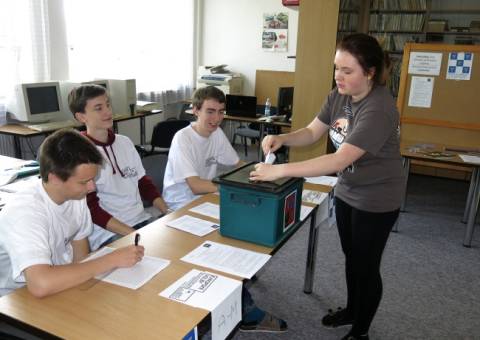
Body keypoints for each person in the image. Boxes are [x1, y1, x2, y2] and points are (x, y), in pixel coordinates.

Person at [250, 33, 405, 340]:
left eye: (347, 71)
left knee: (366, 265)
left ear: (370, 72)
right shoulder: (339, 95)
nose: (339, 76)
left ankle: (361, 331)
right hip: (349, 190)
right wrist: (283, 139)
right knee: (352, 257)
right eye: (337, 68)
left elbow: (337, 160)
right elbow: (311, 132)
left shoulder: (379, 108)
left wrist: (277, 170)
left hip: (378, 198)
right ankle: (351, 310)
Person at [163, 86, 287, 333]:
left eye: (220, 112)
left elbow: (238, 164)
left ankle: (237, 280)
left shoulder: (216, 134)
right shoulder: (183, 139)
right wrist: (233, 189)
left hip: (206, 200)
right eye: (210, 111)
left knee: (247, 226)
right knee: (225, 246)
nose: (216, 118)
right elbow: (196, 186)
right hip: (181, 207)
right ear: (194, 110)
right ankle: (247, 313)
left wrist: (262, 173)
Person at [0, 129, 144, 298]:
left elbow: (80, 259)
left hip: (59, 283)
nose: (92, 187)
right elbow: (40, 285)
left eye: (93, 179)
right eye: (84, 182)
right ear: (54, 178)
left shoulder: (75, 196)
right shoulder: (25, 212)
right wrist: (111, 259)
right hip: (16, 299)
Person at [69, 84, 169, 251]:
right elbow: (92, 209)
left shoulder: (125, 142)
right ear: (81, 117)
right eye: (98, 108)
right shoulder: (80, 153)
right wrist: (134, 234)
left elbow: (143, 183)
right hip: (108, 233)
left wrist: (167, 211)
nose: (108, 112)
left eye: (108, 105)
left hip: (141, 220)